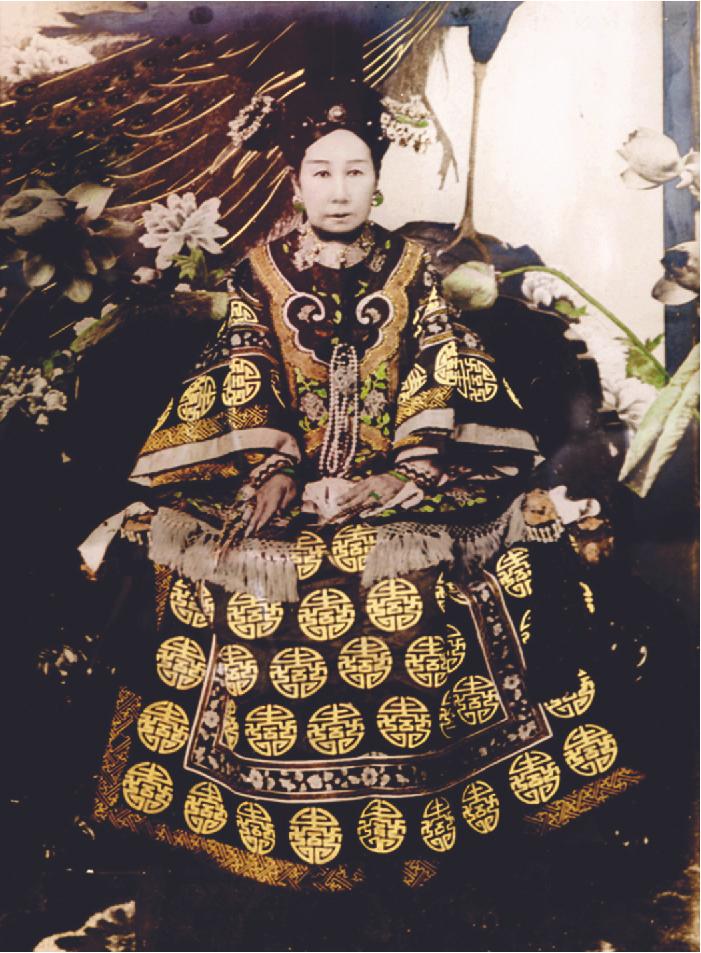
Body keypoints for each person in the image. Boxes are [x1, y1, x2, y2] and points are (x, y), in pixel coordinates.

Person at [85, 74, 642, 897]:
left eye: (353, 172)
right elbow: (245, 374)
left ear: (376, 179)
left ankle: (429, 814)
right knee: (228, 579)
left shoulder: (414, 268)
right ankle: (239, 814)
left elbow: (439, 375)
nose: (338, 189)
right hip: (283, 492)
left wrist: (392, 478)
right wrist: (279, 471)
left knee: (413, 591)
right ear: (295, 181)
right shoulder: (257, 273)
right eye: (321, 171)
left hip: (403, 492)